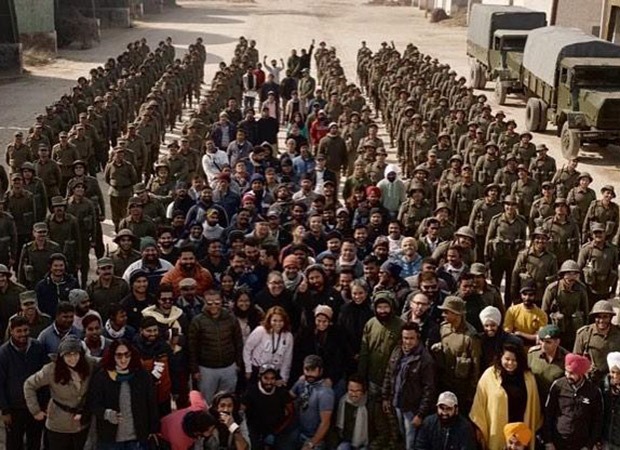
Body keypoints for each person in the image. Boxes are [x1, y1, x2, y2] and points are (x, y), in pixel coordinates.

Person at [24, 335, 96, 450]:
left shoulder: (89, 364)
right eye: (68, 355)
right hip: (58, 425)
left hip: (81, 424)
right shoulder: (51, 370)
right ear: (62, 355)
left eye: (75, 354)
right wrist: (35, 410)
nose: (72, 358)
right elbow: (29, 384)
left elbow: (105, 362)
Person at [89, 338, 160, 449]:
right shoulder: (102, 377)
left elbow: (151, 403)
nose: (123, 360)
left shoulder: (142, 376)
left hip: (138, 436)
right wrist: (107, 414)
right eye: (119, 356)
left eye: (127, 355)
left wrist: (154, 429)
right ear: (112, 356)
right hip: (110, 438)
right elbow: (93, 403)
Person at [470, 343, 542, 450]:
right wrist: (479, 429)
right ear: (500, 357)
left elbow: (534, 406)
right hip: (497, 428)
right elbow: (478, 405)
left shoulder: (528, 377)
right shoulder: (489, 375)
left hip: (521, 429)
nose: (510, 363)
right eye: (507, 359)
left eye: (514, 360)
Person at [382, 322, 435, 449]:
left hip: (412, 408)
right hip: (397, 403)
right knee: (401, 435)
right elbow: (389, 374)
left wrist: (420, 414)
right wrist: (385, 396)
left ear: (417, 338)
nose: (408, 342)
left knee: (411, 442)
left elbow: (429, 389)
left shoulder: (425, 360)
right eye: (405, 338)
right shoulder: (397, 351)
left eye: (411, 338)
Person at [0, 315, 48, 450]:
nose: (23, 334)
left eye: (25, 330)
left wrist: (44, 404)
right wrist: (5, 410)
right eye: (19, 331)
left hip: (36, 407)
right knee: (14, 443)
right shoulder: (3, 353)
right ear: (11, 331)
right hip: (15, 409)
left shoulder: (38, 347)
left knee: (35, 442)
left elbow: (45, 376)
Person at [188, 289, 243, 404]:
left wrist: (238, 363)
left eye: (217, 303)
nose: (213, 306)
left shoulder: (231, 318)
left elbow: (238, 341)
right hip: (206, 368)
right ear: (204, 302)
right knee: (207, 402)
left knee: (227, 400)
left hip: (229, 366)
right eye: (210, 303)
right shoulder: (197, 321)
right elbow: (192, 347)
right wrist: (195, 370)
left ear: (222, 301)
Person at [543, 353, 603, 450]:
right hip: (558, 441)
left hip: (581, 444)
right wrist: (548, 441)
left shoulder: (593, 391)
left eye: (572, 373)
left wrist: (589, 445)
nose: (568, 375)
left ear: (581, 373)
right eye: (566, 372)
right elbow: (548, 414)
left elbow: (597, 420)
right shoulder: (558, 386)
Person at [432, 296, 481, 414]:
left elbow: (476, 365)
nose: (443, 315)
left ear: (457, 314)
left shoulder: (470, 336)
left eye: (446, 312)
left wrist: (472, 392)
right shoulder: (444, 328)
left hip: (461, 387)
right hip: (444, 380)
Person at [243, 364, 295, 449]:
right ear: (260, 377)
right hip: (254, 430)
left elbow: (291, 413)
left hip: (276, 430)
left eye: (272, 378)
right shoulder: (251, 391)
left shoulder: (281, 391)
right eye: (266, 378)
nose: (269, 382)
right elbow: (241, 411)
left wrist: (278, 431)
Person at [290, 354, 335, 449]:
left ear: (321, 371)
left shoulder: (325, 392)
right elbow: (288, 397)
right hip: (298, 432)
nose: (310, 374)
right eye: (307, 370)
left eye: (313, 370)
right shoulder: (301, 382)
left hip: (315, 438)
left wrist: (311, 443)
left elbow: (325, 423)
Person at [573, 299, 620, 386]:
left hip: (615, 379)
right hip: (592, 379)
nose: (601, 320)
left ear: (610, 317)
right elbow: (576, 359)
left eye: (605, 316)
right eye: (598, 317)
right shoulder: (584, 334)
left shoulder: (618, 333)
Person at [243, 306, 294, 384]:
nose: (278, 323)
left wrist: (284, 378)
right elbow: (247, 349)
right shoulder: (260, 331)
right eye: (274, 320)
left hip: (274, 372)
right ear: (269, 320)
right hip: (257, 370)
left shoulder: (288, 336)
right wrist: (248, 369)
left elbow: (287, 359)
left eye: (281, 321)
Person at [603, 352, 620, 449]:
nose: (616, 376)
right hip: (605, 438)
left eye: (619, 373)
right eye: (613, 372)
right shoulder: (603, 387)